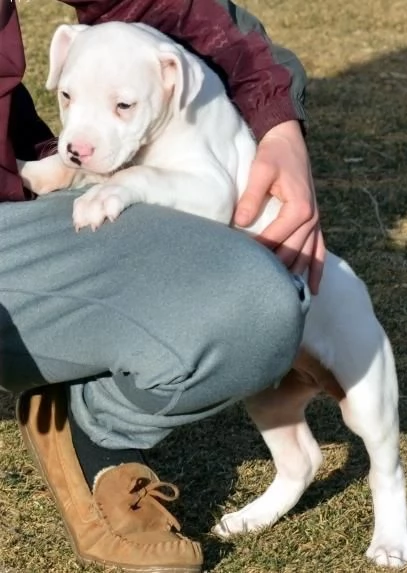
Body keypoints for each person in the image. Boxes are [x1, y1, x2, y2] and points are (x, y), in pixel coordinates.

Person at [1, 1, 326, 571]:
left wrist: (278, 123)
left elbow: (168, 5)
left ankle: (95, 431)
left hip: (22, 206)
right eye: (68, 98)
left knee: (258, 301)